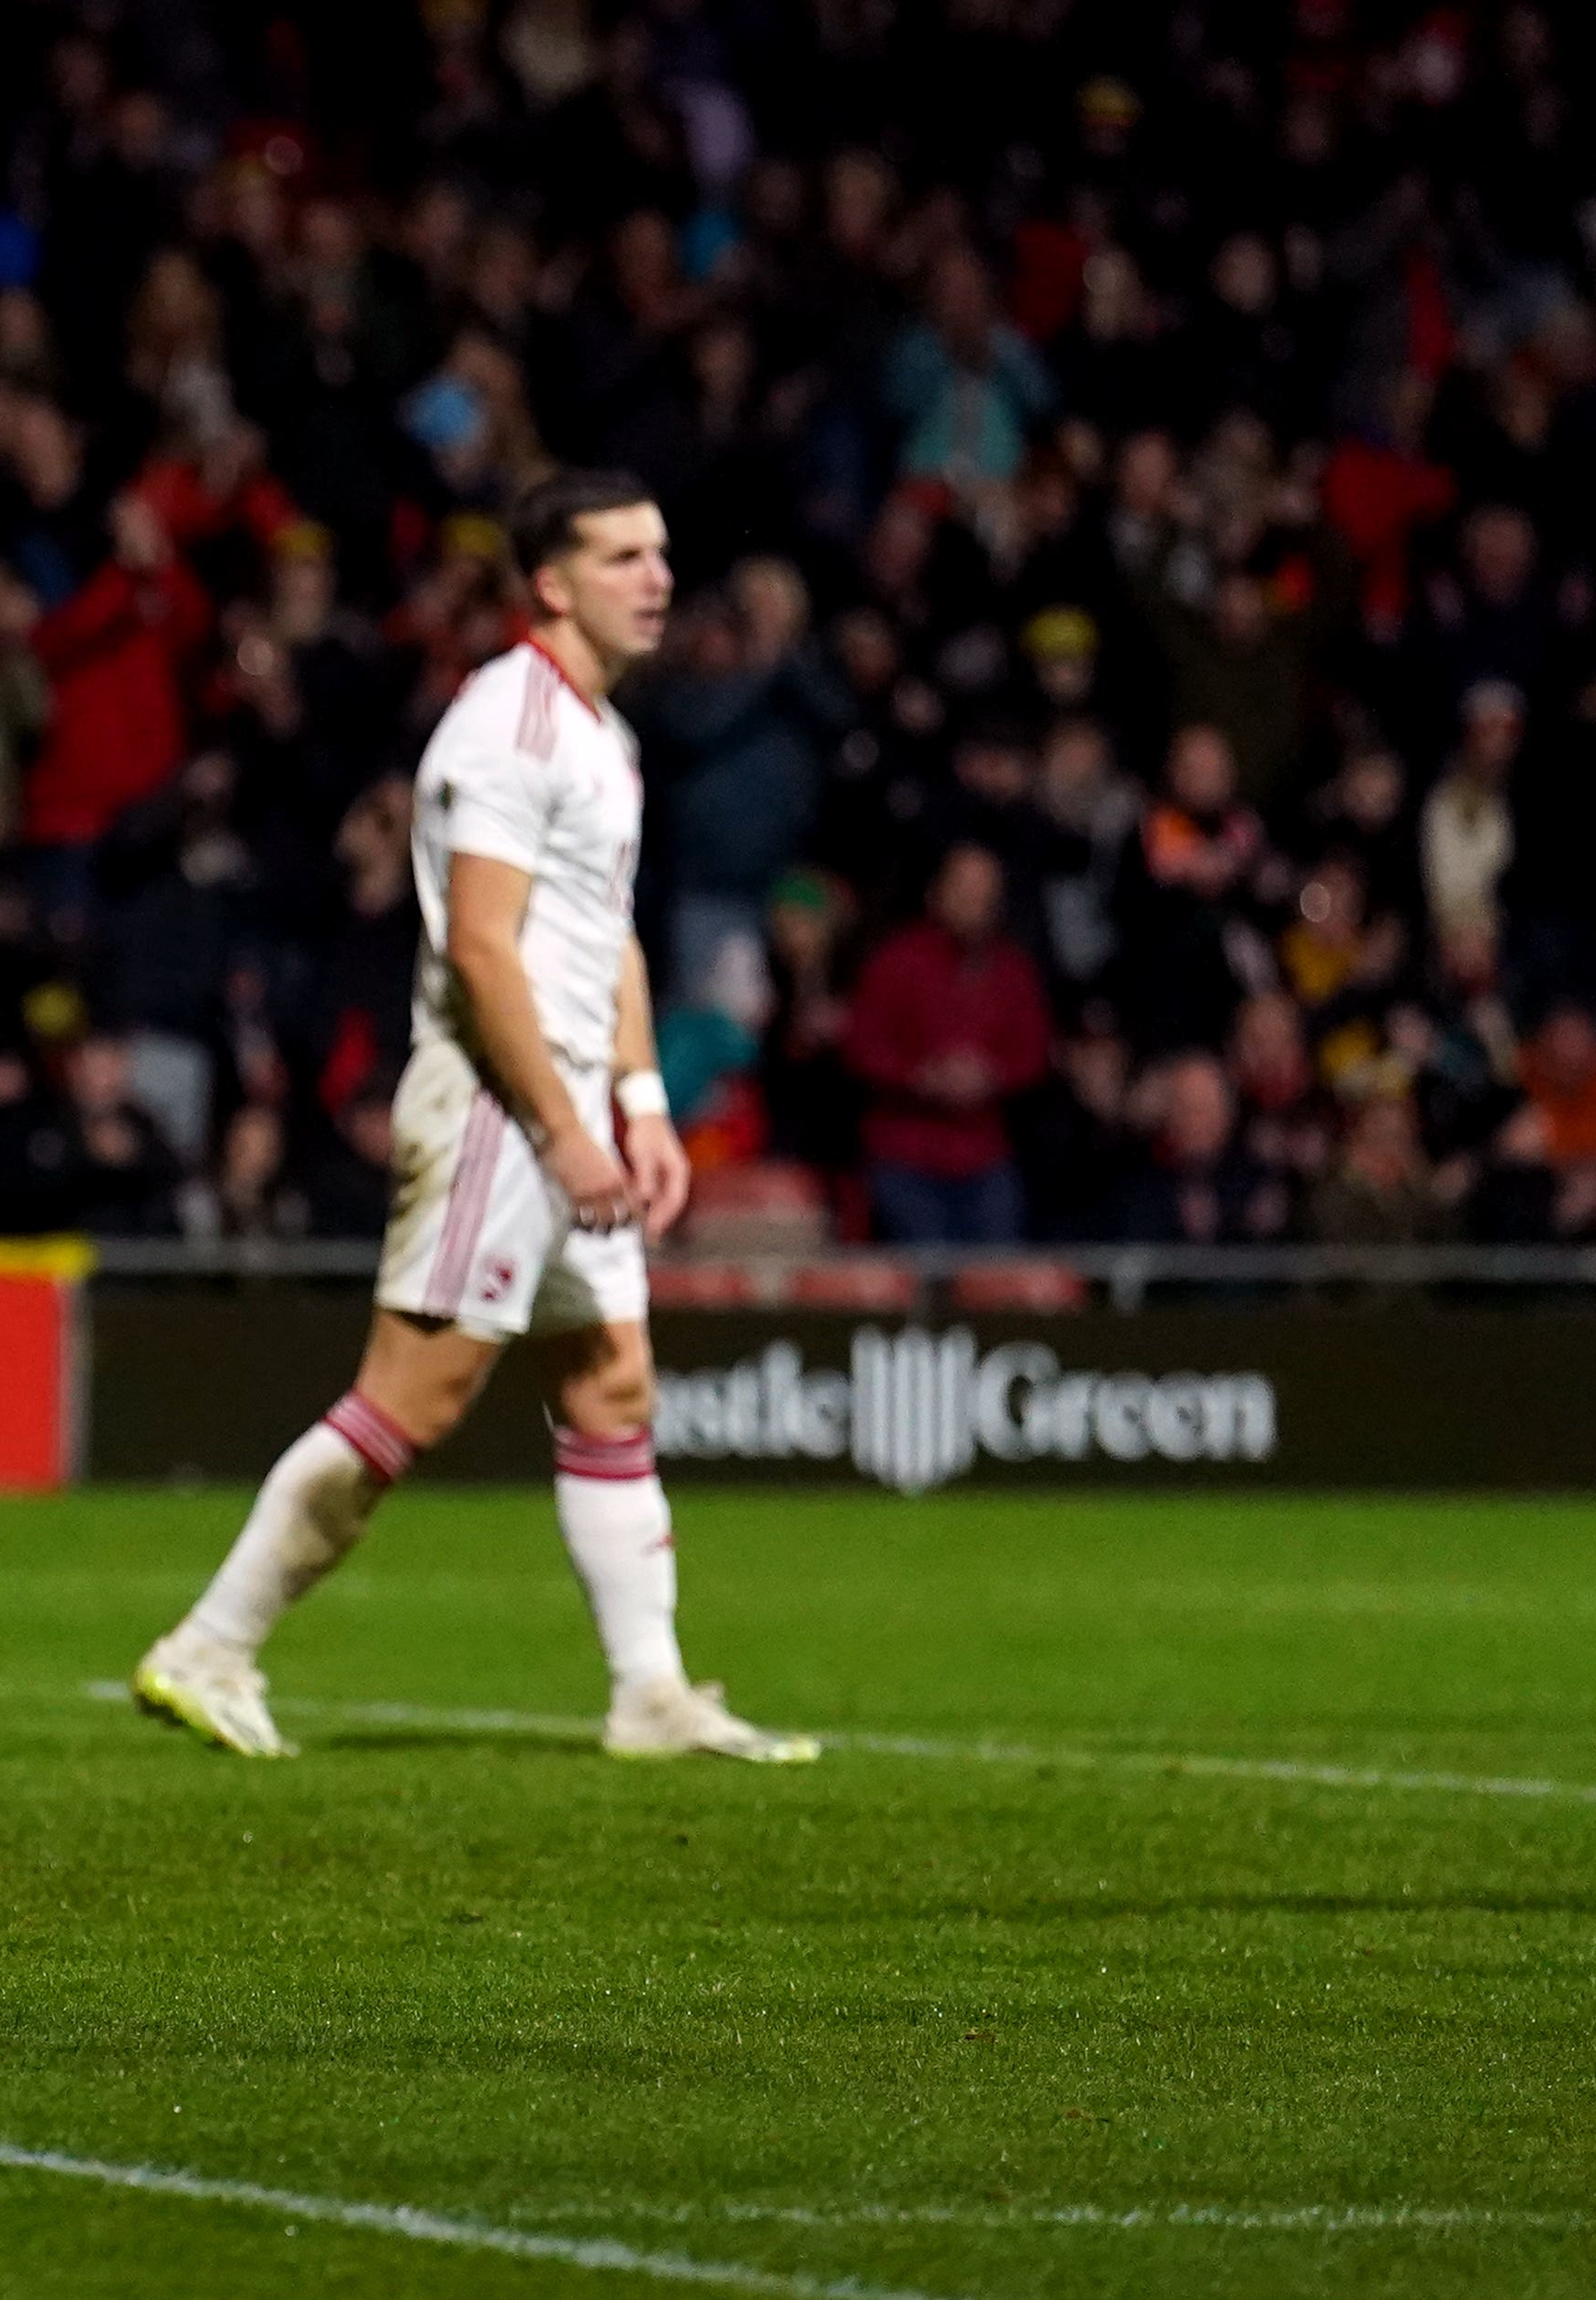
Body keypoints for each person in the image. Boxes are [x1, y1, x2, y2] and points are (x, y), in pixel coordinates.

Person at [128, 470, 816, 1765]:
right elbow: (487, 957)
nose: (656, 579)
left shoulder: (600, 735)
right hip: (504, 1102)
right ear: (550, 584)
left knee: (611, 1379)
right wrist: (562, 1125)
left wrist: (643, 1102)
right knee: (413, 1397)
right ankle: (207, 1645)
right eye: (621, 557)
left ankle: (648, 1692)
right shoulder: (506, 727)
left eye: (659, 553)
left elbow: (599, 937)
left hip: (568, 1103)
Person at [840, 841, 1054, 1245]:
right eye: (964, 890)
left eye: (985, 893)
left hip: (984, 1155)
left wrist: (992, 1077)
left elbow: (1033, 1050)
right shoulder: (896, 962)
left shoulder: (1013, 970)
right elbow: (862, 1045)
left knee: (994, 1280)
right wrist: (921, 1077)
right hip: (904, 1154)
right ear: (937, 894)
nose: (975, 902)